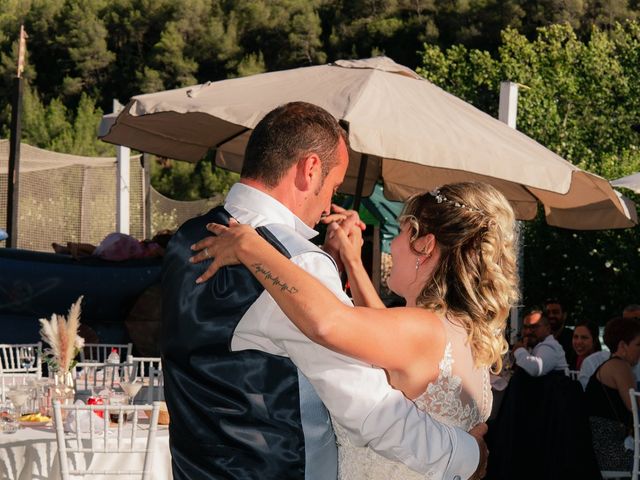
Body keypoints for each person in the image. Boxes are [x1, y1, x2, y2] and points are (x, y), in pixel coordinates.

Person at [161, 102, 487, 480]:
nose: (330, 202)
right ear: (310, 169)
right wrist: (466, 456)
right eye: (333, 185)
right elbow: (370, 411)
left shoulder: (186, 239)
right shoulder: (296, 260)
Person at [191, 181, 519, 478]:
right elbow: (378, 327)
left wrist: (252, 247)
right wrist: (352, 260)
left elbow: (329, 322)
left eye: (402, 233)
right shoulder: (460, 330)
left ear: (426, 245)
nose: (392, 246)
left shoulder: (421, 330)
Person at [584, 316, 640, 472]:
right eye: (638, 344)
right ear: (622, 345)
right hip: (609, 454)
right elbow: (636, 409)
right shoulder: (620, 366)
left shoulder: (610, 364)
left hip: (595, 452)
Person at [512, 312, 568, 376]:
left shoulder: (550, 346)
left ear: (548, 328)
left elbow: (536, 368)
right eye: (525, 327)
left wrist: (519, 350)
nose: (528, 331)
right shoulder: (533, 346)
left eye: (534, 327)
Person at [544, 298, 575, 368]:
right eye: (548, 313)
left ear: (564, 315)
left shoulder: (573, 338)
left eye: (555, 312)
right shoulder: (540, 338)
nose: (551, 316)